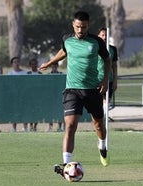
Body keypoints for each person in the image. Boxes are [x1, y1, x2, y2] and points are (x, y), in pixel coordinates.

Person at [38, 11, 111, 175]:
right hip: (72, 90)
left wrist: (105, 80)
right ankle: (66, 166)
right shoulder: (67, 39)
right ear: (73, 25)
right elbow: (63, 52)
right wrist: (49, 63)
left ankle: (102, 144)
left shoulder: (96, 42)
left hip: (92, 90)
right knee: (70, 125)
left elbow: (107, 60)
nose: (80, 30)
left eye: (83, 27)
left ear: (88, 26)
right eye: (78, 26)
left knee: (99, 125)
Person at [97, 27, 118, 113]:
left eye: (106, 35)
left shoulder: (112, 49)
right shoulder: (95, 48)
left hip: (109, 79)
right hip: (97, 79)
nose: (104, 37)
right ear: (99, 36)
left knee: (106, 100)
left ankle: (104, 118)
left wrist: (115, 81)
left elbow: (114, 66)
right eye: (102, 35)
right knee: (97, 101)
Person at [7, 56, 28, 132]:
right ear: (12, 64)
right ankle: (14, 128)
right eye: (14, 62)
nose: (16, 63)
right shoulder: (10, 74)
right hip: (13, 96)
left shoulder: (24, 73)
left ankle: (25, 128)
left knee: (23, 111)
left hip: (22, 95)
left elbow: (26, 84)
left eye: (17, 62)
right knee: (14, 111)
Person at [48, 62, 64, 132]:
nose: (54, 66)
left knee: (60, 112)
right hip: (51, 96)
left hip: (59, 96)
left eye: (55, 65)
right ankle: (50, 127)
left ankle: (60, 127)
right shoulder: (48, 75)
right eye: (52, 65)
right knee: (50, 112)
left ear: (57, 66)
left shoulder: (61, 74)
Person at [27, 58, 42, 132]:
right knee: (30, 111)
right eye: (32, 64)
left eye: (35, 64)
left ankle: (35, 126)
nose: (34, 65)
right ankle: (30, 125)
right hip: (30, 96)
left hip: (38, 95)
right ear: (30, 65)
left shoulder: (40, 74)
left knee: (37, 111)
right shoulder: (28, 73)